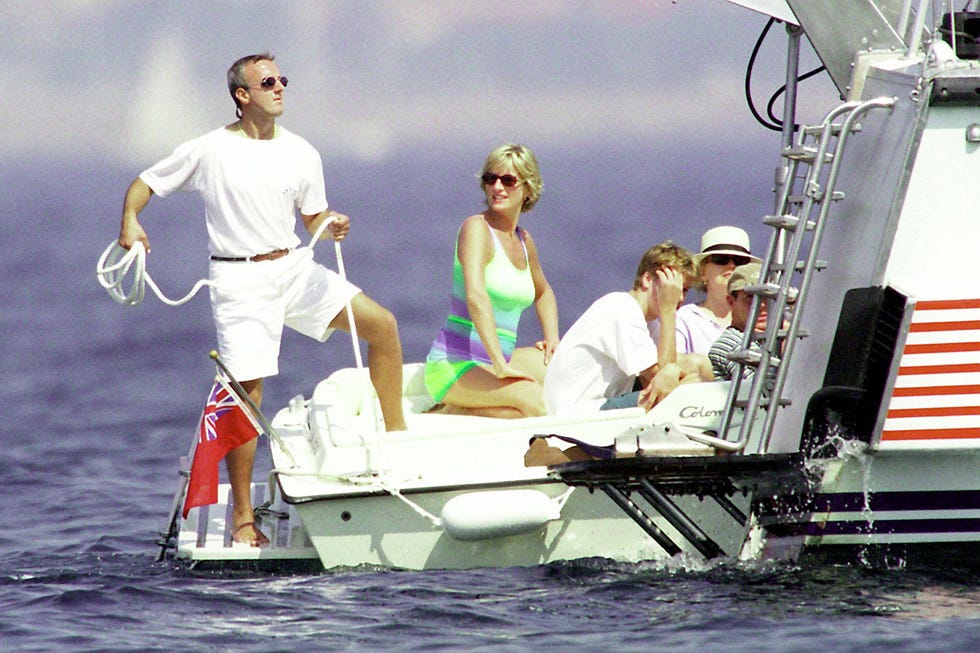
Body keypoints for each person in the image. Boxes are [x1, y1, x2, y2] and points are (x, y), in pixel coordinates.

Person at [117, 53, 407, 547]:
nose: (280, 88)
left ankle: (398, 442)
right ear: (242, 95)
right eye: (268, 82)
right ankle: (244, 518)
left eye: (283, 80)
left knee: (382, 325)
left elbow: (312, 217)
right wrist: (130, 221)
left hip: (293, 267)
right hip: (239, 281)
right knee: (247, 393)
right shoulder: (208, 149)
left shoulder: (302, 152)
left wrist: (329, 224)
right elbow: (145, 184)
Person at [424, 143, 559, 418]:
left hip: (497, 361)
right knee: (534, 402)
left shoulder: (524, 241)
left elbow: (543, 293)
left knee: (565, 372)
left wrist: (552, 338)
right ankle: (452, 411)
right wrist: (499, 365)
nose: (497, 187)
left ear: (528, 189)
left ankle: (462, 408)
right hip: (456, 364)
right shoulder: (475, 229)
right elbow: (476, 296)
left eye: (508, 180)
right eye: (490, 179)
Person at [543, 242, 712, 416]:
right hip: (579, 411)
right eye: (672, 288)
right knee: (690, 385)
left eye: (684, 290)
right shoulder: (622, 308)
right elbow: (662, 376)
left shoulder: (648, 320)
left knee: (699, 364)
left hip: (604, 401)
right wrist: (668, 310)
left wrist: (675, 369)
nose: (679, 297)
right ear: (647, 279)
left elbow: (667, 370)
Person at [650, 225, 761, 355]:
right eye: (721, 259)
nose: (731, 266)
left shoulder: (761, 321)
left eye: (739, 261)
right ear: (702, 272)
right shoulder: (683, 320)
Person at [707, 262, 769, 380]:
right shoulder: (731, 344)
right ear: (731, 302)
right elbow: (765, 391)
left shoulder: (768, 341)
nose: (761, 305)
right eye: (751, 298)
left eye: (767, 297)